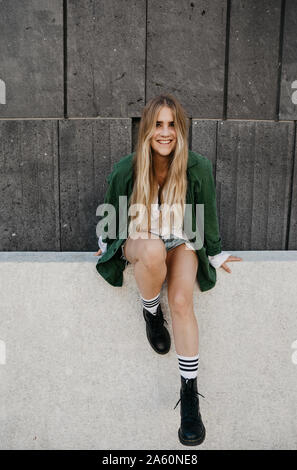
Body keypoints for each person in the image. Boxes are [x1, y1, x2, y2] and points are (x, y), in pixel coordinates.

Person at [94, 94, 242, 446]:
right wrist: (104, 242)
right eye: (158, 124)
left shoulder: (197, 167)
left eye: (171, 124)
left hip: (182, 240)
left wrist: (217, 254)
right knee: (153, 248)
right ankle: (150, 312)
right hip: (139, 240)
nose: (165, 132)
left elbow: (207, 212)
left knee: (180, 301)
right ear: (147, 129)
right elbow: (111, 211)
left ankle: (189, 396)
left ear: (181, 129)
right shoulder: (125, 168)